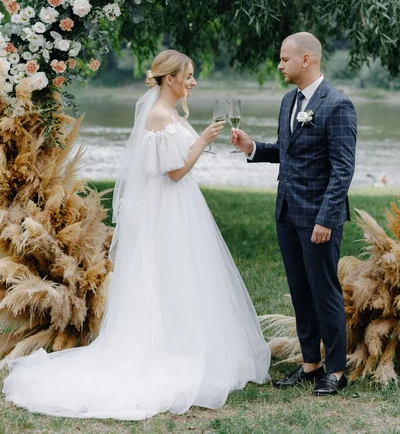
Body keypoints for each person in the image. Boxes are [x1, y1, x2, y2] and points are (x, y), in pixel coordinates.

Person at [3, 49, 270, 419]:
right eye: (188, 76)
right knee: (167, 276)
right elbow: (173, 172)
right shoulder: (159, 115)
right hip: (169, 209)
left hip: (179, 206)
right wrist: (203, 140)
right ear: (170, 79)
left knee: (181, 277)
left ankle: (185, 343)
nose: (193, 82)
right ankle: (167, 349)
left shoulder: (169, 113)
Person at [231, 32, 357, 396]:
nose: (279, 64)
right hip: (286, 211)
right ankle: (310, 364)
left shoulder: (338, 105)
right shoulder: (289, 101)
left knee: (324, 291)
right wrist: (253, 147)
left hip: (319, 217)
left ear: (306, 59)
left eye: (285, 59)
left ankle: (336, 370)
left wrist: (326, 218)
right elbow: (288, 152)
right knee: (300, 291)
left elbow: (342, 170)